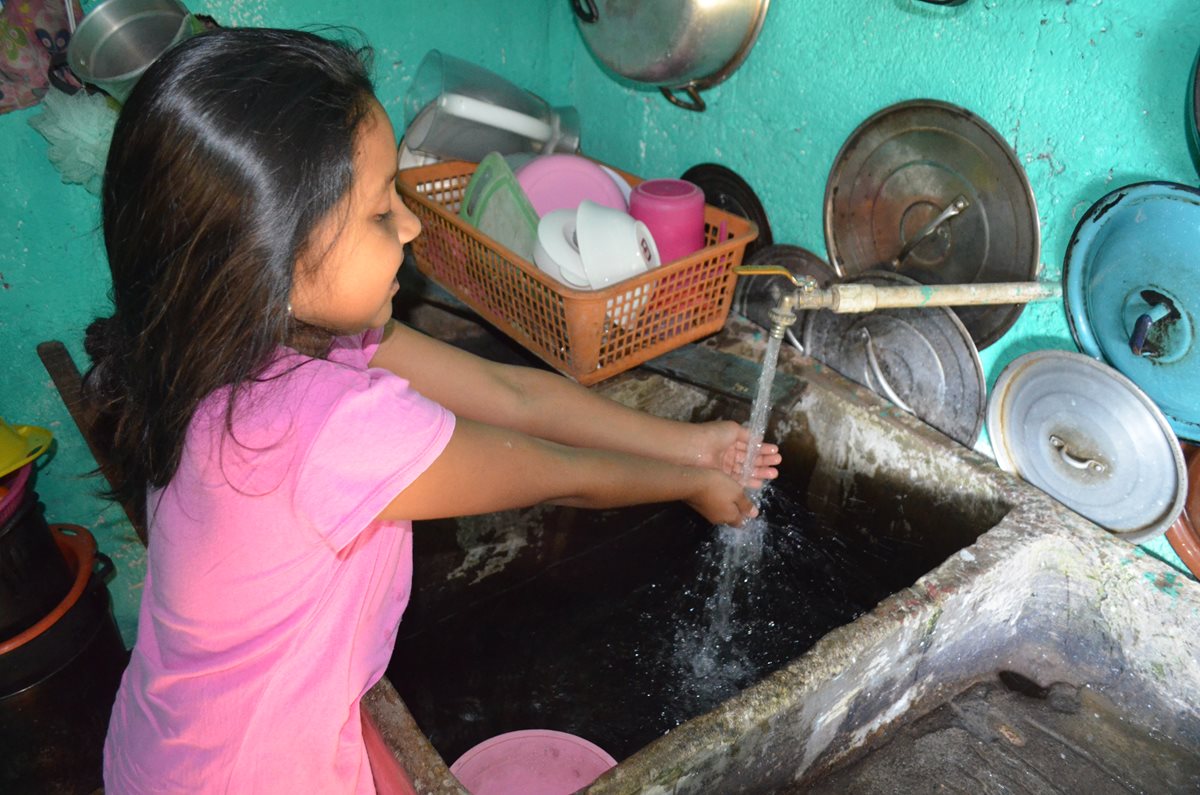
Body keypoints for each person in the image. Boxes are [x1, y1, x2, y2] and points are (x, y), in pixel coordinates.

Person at [86, 27, 781, 794]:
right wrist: (687, 483)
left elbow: (517, 394)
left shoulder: (221, 350)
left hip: (163, 741)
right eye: (382, 213)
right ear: (272, 258)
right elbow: (557, 472)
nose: (412, 227)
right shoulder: (328, 424)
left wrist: (692, 445)